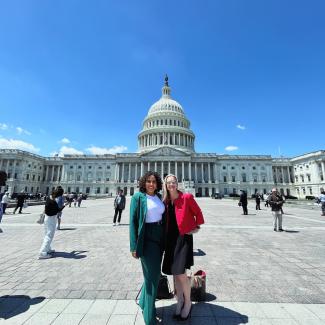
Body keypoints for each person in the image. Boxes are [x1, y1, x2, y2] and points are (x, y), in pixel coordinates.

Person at [162, 174, 204, 321]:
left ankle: (188, 302)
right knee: (175, 273)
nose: (171, 185)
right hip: (170, 240)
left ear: (177, 183)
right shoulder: (166, 200)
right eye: (169, 183)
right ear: (166, 185)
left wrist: (195, 227)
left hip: (182, 238)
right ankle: (179, 301)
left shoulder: (186, 197)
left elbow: (198, 213)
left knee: (180, 273)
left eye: (173, 182)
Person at [129, 171, 165, 325]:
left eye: (154, 181)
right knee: (152, 279)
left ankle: (144, 303)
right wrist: (133, 246)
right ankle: (149, 318)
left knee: (153, 275)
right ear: (144, 183)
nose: (151, 184)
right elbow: (133, 221)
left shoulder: (158, 197)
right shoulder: (138, 197)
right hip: (147, 238)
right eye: (148, 181)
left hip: (159, 238)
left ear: (157, 184)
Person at [39, 187, 67, 259]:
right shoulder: (53, 202)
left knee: (47, 234)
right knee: (49, 235)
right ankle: (43, 252)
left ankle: (48, 248)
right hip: (51, 219)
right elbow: (58, 210)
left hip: (47, 218)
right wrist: (64, 205)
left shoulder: (49, 198)